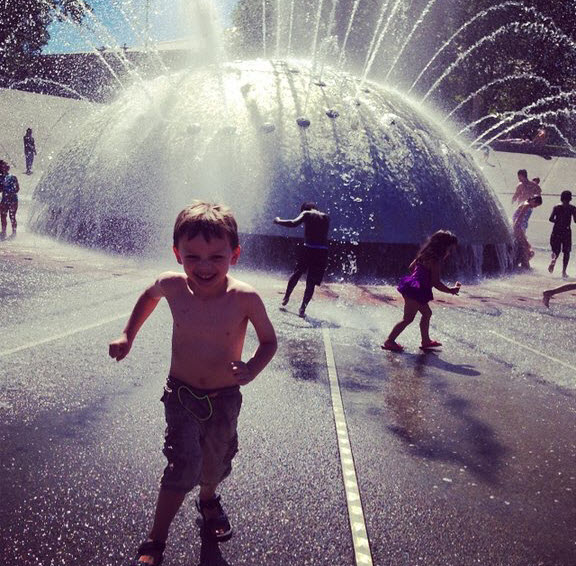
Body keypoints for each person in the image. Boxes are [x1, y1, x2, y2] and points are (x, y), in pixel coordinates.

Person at [109, 201, 277, 566]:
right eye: (193, 257)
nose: (204, 267)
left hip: (224, 398)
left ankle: (208, 498)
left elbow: (269, 342)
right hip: (181, 395)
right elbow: (148, 297)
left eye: (216, 257)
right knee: (182, 466)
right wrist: (127, 335)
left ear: (235, 254)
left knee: (214, 464)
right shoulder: (172, 285)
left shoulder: (245, 297)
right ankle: (155, 539)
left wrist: (252, 367)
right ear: (176, 253)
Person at [382, 230, 461, 352]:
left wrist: (419, 276)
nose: (449, 253)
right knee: (408, 318)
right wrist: (450, 290)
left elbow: (411, 267)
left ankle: (426, 341)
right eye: (449, 249)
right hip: (416, 292)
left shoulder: (424, 254)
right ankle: (389, 341)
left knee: (427, 313)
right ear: (443, 248)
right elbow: (436, 283)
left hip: (414, 288)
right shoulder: (435, 261)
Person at [274, 202, 330, 318]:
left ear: (305, 209)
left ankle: (286, 297)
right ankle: (302, 308)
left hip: (309, 249)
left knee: (297, 273)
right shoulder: (326, 217)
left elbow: (293, 223)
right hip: (322, 252)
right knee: (311, 282)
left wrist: (278, 221)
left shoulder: (306, 213)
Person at [547, 190, 576, 278]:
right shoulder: (572, 208)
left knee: (556, 250)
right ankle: (564, 272)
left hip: (556, 230)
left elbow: (551, 219)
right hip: (566, 231)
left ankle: (553, 260)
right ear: (570, 198)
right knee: (566, 252)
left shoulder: (556, 207)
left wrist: (558, 222)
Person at [512, 194, 543, 270]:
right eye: (536, 204)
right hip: (518, 228)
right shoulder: (526, 205)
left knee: (526, 247)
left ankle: (524, 264)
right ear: (533, 200)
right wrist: (517, 229)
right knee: (525, 247)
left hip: (520, 228)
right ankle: (525, 266)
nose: (535, 207)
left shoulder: (527, 204)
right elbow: (519, 218)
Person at [0, 160, 20, 239]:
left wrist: (9, 191)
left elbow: (17, 189)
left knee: (10, 216)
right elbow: (17, 189)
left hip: (10, 199)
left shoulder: (12, 177)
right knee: (5, 216)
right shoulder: (11, 177)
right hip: (8, 199)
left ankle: (11, 233)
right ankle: (6, 232)